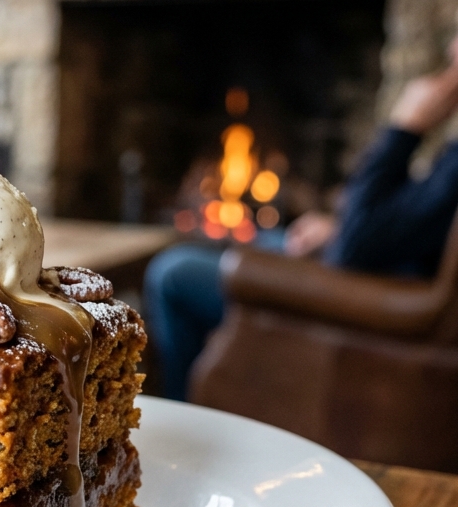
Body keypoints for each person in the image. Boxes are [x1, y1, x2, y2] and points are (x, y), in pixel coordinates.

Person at [144, 31, 458, 401]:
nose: (452, 45)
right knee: (261, 238)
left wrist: (405, 127)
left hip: (377, 290)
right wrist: (337, 228)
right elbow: (403, 223)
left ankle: (187, 420)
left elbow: (356, 245)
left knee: (172, 273)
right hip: (383, 266)